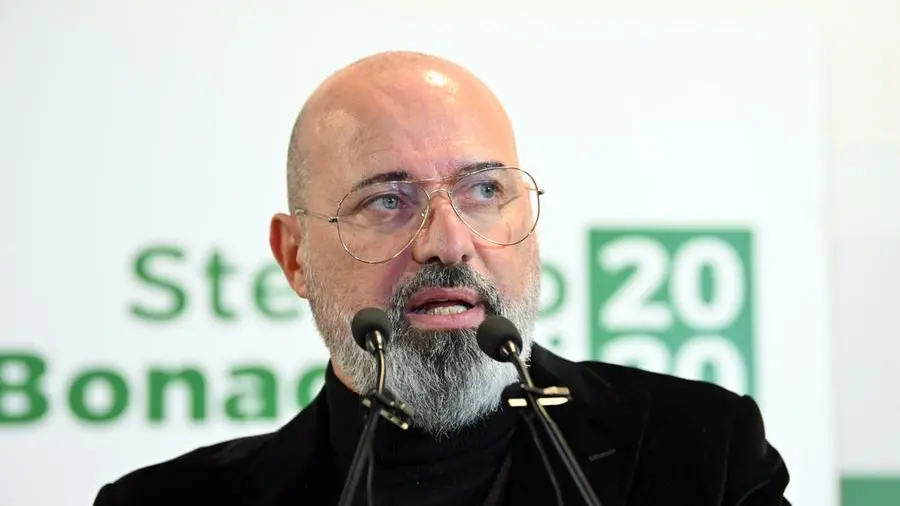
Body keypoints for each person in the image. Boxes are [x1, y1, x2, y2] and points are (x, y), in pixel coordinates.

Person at [92, 50, 791, 506]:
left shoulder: (699, 452)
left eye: (484, 191)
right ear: (295, 256)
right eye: (386, 200)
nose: (449, 243)